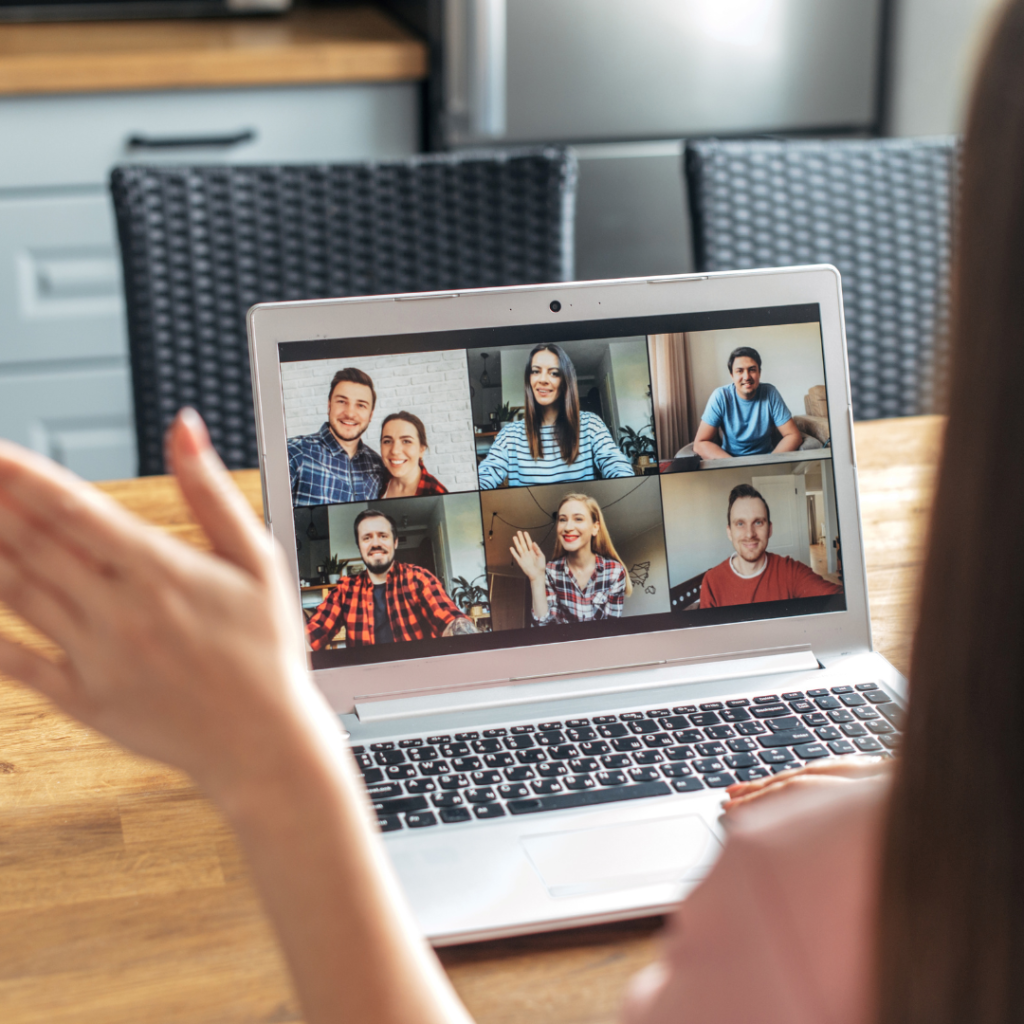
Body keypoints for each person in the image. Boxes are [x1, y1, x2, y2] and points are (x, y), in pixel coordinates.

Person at [0, 5, 1021, 1017]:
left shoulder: (810, 876)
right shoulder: (433, 473)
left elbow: (608, 554)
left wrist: (274, 764)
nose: (539, 379)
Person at [306, 509, 471, 648]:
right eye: (367, 538)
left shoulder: (419, 578)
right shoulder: (345, 590)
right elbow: (315, 631)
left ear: (396, 542)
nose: (375, 543)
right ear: (359, 546)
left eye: (383, 536)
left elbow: (451, 619)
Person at [477, 343, 634, 488]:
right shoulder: (509, 435)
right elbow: (485, 475)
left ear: (565, 380)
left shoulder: (590, 424)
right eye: (536, 371)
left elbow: (616, 465)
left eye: (553, 373)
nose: (543, 380)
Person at [699, 483, 841, 608]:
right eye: (740, 524)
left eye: (758, 522)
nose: (750, 534)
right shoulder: (712, 581)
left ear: (770, 529)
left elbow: (840, 599)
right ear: (729, 532)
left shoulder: (790, 571)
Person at [510, 492, 632, 625]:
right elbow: (544, 627)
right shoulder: (551, 571)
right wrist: (536, 579)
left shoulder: (615, 571)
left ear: (595, 528)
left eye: (578, 519)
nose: (567, 527)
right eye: (562, 520)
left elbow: (611, 629)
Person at [288, 367, 386, 506]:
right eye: (341, 401)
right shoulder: (294, 452)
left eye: (361, 405)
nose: (350, 413)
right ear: (329, 405)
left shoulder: (378, 465)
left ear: (370, 415)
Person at [692, 346, 803, 459]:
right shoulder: (720, 396)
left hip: (765, 460)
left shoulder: (770, 393)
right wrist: (733, 466)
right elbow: (700, 443)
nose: (746, 376)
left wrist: (769, 462)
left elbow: (793, 435)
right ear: (732, 375)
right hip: (729, 460)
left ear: (759, 373)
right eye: (739, 371)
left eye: (752, 369)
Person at [378, 411, 449, 498]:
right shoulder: (377, 478)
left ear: (421, 449)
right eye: (387, 441)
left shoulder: (437, 493)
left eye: (406, 441)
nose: (395, 451)